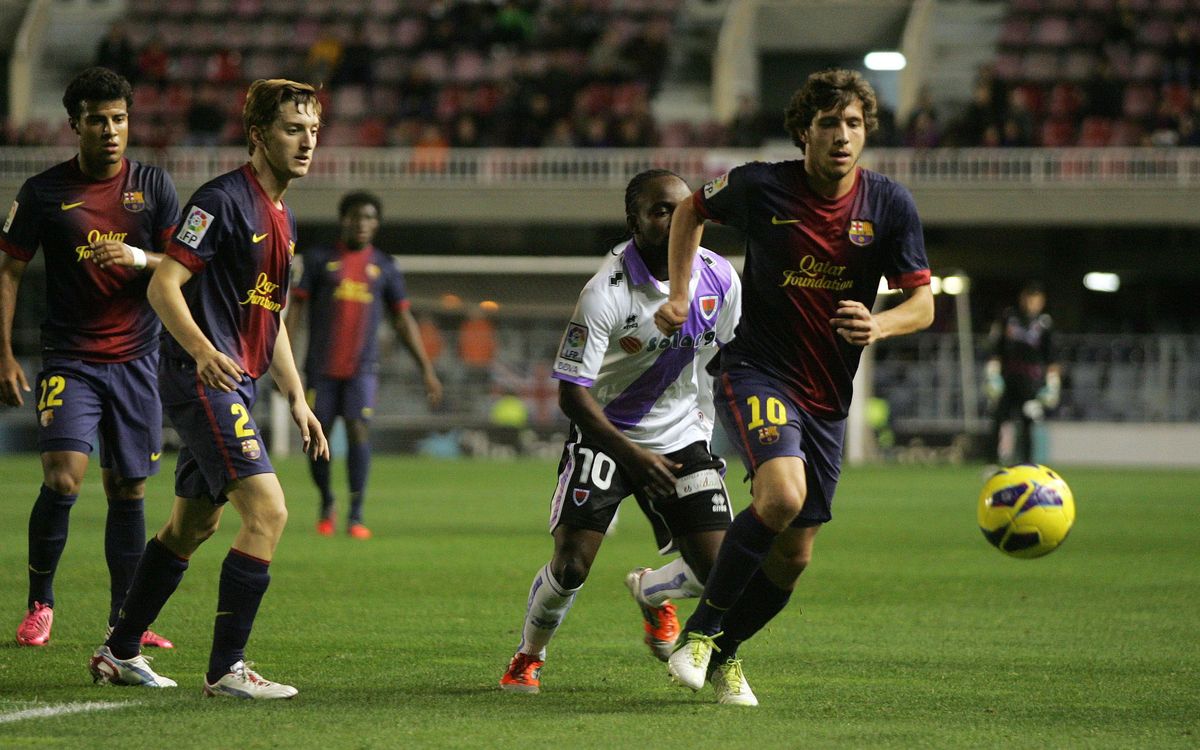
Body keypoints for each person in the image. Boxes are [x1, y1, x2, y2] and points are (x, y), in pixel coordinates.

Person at [654, 69, 935, 704]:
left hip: (829, 398)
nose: (843, 136)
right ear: (804, 131)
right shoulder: (762, 184)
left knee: (794, 558)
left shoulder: (889, 205)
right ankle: (697, 635)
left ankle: (723, 653)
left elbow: (923, 304)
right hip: (758, 369)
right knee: (780, 494)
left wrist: (879, 322)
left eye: (855, 124)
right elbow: (690, 212)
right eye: (830, 123)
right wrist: (679, 293)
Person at [88, 79, 329, 699]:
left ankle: (119, 652)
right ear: (258, 137)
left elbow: (266, 316)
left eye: (312, 129)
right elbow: (162, 285)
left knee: (190, 527)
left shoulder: (283, 216)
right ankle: (227, 669)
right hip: (204, 380)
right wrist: (203, 353)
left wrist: (298, 398)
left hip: (237, 384)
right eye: (292, 129)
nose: (306, 142)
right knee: (269, 512)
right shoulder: (220, 202)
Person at [499, 169, 743, 699]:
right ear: (633, 219)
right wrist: (631, 454)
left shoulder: (720, 277)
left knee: (720, 568)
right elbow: (571, 394)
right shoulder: (604, 291)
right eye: (660, 210)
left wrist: (749, 437)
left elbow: (732, 361)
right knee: (571, 566)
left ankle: (653, 591)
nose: (675, 218)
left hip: (681, 437)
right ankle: (528, 656)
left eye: (682, 210)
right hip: (607, 434)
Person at [0, 67, 179, 651]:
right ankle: (40, 604)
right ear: (75, 124)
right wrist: (2, 353)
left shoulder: (153, 187)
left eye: (119, 119)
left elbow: (183, 266)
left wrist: (137, 257)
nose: (110, 129)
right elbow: (9, 270)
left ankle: (124, 622)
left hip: (136, 360)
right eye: (98, 120)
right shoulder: (43, 192)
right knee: (64, 478)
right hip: (70, 359)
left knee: (129, 488)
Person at [285, 191, 443, 539]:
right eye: (355, 217)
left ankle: (356, 513)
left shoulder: (384, 266)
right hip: (320, 368)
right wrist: (287, 362)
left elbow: (402, 320)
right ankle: (327, 500)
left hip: (362, 369)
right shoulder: (317, 260)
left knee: (358, 429)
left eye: (369, 217)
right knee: (316, 435)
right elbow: (295, 311)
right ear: (343, 220)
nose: (362, 223)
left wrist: (426, 369)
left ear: (377, 223)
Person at [985, 281, 1059, 466]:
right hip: (1008, 377)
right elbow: (996, 349)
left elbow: (1051, 357)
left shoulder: (1045, 324)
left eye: (1036, 300)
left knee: (1027, 422)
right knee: (998, 418)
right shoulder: (1009, 318)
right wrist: (993, 375)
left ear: (1041, 301)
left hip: (1030, 381)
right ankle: (992, 463)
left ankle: (1027, 464)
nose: (1031, 303)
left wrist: (1052, 385)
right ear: (1023, 298)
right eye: (1029, 299)